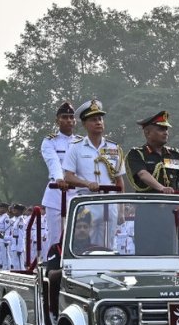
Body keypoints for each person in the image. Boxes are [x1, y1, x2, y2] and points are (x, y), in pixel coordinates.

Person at [62, 99, 124, 248]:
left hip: (109, 203)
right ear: (84, 124)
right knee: (85, 244)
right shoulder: (75, 148)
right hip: (87, 203)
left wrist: (121, 209)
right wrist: (87, 183)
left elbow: (119, 181)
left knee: (107, 245)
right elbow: (68, 176)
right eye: (93, 119)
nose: (98, 122)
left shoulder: (114, 148)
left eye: (100, 119)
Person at [39, 101, 79, 255]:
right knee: (56, 237)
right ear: (57, 120)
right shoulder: (50, 141)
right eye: (65, 117)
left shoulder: (81, 142)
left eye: (71, 117)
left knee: (77, 235)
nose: (69, 120)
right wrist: (59, 178)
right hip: (57, 193)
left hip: (77, 192)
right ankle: (54, 266)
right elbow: (53, 161)